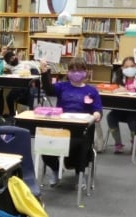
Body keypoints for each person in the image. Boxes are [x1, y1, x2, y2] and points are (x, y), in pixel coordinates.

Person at [38, 57, 102, 186]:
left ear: (85, 72)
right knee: (44, 143)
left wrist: (96, 115)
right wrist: (44, 72)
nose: (76, 73)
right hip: (62, 127)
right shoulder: (62, 86)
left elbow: (97, 110)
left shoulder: (91, 90)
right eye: (72, 70)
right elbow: (48, 89)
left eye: (79, 70)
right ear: (68, 73)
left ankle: (80, 173)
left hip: (82, 129)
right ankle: (55, 170)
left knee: (81, 145)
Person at [0, 49, 41, 117]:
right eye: (11, 58)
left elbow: (37, 67)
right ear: (9, 62)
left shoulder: (25, 63)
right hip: (18, 85)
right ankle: (12, 114)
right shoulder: (10, 66)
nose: (14, 58)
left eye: (14, 56)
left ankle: (30, 114)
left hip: (28, 85)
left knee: (30, 94)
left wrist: (36, 80)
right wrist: (1, 54)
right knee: (9, 98)